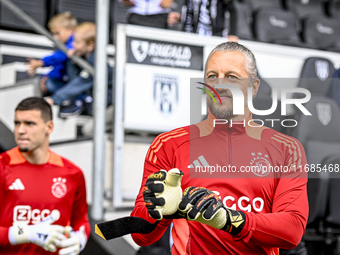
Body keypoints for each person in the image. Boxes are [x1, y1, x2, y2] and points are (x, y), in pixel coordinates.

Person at [131, 42, 308, 254]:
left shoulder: (287, 149)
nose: (220, 84)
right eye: (212, 76)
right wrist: (159, 213)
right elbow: (140, 235)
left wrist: (228, 220)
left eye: (232, 76)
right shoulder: (168, 145)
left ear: (254, 87)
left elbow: (292, 231)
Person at [0, 97, 91, 254]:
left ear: (49, 127)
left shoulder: (72, 173)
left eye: (29, 124)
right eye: (17, 123)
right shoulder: (2, 166)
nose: (20, 130)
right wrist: (22, 234)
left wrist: (80, 238)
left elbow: (81, 220)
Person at [44, 22, 113, 117]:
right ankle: (79, 101)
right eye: (73, 41)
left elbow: (80, 82)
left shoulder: (97, 62)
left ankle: (82, 103)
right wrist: (72, 60)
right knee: (51, 83)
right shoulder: (83, 56)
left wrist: (55, 99)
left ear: (90, 46)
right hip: (87, 91)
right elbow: (72, 77)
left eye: (77, 42)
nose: (73, 44)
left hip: (105, 100)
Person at [26, 12, 77, 96]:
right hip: (68, 80)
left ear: (70, 30)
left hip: (79, 81)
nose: (55, 37)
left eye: (57, 33)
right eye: (53, 34)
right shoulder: (65, 45)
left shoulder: (75, 41)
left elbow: (61, 56)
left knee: (51, 84)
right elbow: (59, 66)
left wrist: (42, 62)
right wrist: (46, 76)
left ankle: (78, 99)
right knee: (49, 82)